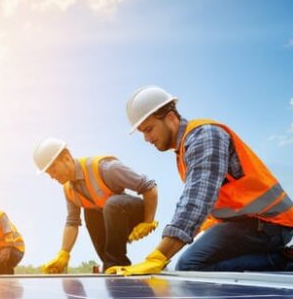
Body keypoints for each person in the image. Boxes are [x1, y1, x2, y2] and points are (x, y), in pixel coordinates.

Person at [111, 86, 293, 274]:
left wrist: (158, 256)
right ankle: (272, 257)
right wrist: (173, 249)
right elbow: (206, 209)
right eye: (143, 133)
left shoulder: (205, 136)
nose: (147, 138)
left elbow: (196, 202)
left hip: (270, 223)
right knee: (194, 261)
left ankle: (283, 261)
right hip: (250, 223)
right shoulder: (185, 149)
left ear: (171, 117)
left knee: (191, 265)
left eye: (149, 129)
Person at [33, 138, 159, 273]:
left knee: (112, 204)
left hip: (135, 214)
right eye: (48, 173)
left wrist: (148, 221)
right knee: (90, 213)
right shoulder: (68, 189)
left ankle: (114, 262)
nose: (52, 176)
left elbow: (149, 186)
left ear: (67, 159)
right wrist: (64, 253)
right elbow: (72, 222)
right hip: (112, 221)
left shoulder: (106, 168)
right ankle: (111, 265)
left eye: (53, 168)